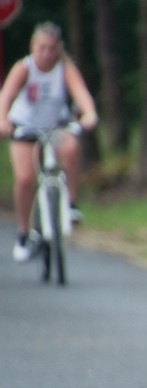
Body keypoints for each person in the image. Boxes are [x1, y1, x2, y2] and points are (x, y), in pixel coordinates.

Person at [0, 21, 98, 262]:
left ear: (58, 48)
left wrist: (89, 114)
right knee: (25, 179)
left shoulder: (64, 68)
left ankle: (71, 203)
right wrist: (3, 120)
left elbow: (81, 94)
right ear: (33, 47)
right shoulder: (24, 68)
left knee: (71, 148)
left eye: (52, 48)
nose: (47, 53)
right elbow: (6, 96)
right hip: (25, 127)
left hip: (55, 126)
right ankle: (24, 232)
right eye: (42, 48)